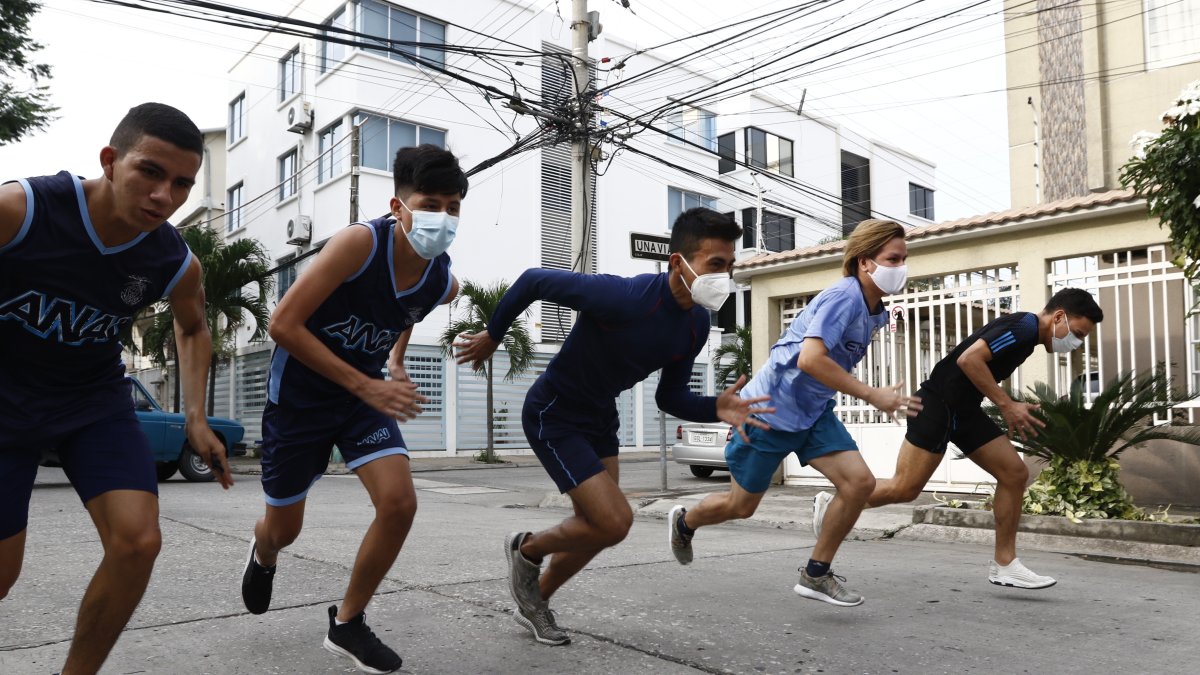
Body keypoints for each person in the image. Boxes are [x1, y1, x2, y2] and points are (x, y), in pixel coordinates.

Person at [454, 207, 771, 645]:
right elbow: (533, 280)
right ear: (678, 263)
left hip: (600, 417)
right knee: (614, 522)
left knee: (598, 527)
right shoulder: (626, 296)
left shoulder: (696, 324)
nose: (724, 276)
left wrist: (716, 406)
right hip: (555, 412)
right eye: (715, 264)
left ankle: (535, 600)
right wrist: (494, 333)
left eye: (730, 266)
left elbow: (669, 397)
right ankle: (525, 549)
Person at [0, 102, 231, 675]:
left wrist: (196, 418)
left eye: (182, 184)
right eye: (150, 172)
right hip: (5, 401)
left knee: (137, 543)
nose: (165, 196)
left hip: (91, 401)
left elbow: (194, 325)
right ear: (110, 160)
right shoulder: (20, 211)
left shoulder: (172, 258)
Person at [239, 144, 466, 674]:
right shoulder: (357, 245)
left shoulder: (442, 278)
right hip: (299, 402)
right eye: (431, 204)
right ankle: (263, 552)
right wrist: (368, 386)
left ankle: (346, 624)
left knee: (399, 504)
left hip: (364, 399)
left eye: (454, 207)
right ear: (398, 206)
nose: (444, 218)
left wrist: (397, 361)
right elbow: (281, 325)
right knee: (283, 528)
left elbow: (412, 308)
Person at [667, 218, 920, 608]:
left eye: (903, 258)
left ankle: (816, 574)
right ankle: (685, 523)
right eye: (893, 258)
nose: (901, 266)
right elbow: (810, 359)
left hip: (813, 413)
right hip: (767, 412)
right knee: (741, 506)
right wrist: (872, 395)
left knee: (858, 484)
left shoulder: (874, 309)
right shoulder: (845, 297)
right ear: (865, 262)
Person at [842, 287, 1103, 589]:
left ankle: (1005, 565)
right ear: (1059, 316)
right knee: (904, 488)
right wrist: (1007, 405)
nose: (1077, 343)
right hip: (938, 405)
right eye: (1079, 334)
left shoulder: (1029, 338)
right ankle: (839, 502)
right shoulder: (1023, 327)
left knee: (1014, 474)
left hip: (964, 411)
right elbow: (969, 360)